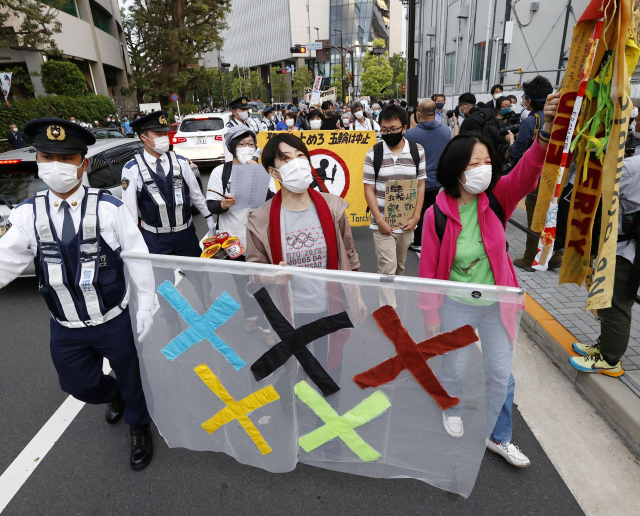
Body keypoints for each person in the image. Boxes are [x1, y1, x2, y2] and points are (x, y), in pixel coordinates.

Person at [0, 118, 156, 470]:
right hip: (66, 326)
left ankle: (140, 426)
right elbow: (4, 262)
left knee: (131, 376)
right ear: (38, 162)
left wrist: (147, 304)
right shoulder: (27, 214)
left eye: (66, 158)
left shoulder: (109, 208)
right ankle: (112, 395)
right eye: (46, 156)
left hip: (113, 319)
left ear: (83, 164)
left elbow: (138, 260)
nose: (56, 165)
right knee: (77, 383)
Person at [418, 92, 560, 468]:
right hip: (456, 305)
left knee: (502, 374)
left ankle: (499, 437)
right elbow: (429, 268)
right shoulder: (438, 213)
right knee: (455, 366)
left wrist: (546, 128)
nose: (482, 168)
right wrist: (430, 312)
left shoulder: (498, 196)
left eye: (486, 161)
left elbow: (530, 169)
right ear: (456, 170)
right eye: (473, 163)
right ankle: (451, 409)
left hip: (497, 305)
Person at [245, 132, 364, 314]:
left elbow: (349, 256)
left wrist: (356, 297)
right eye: (286, 158)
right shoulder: (260, 219)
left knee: (329, 343)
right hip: (289, 311)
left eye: (300, 155)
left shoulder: (333, 207)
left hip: (331, 307)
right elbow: (255, 271)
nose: (296, 163)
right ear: (272, 171)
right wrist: (272, 278)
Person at [569, 150, 640, 377]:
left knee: (614, 304)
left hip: (623, 249)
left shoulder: (631, 167)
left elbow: (593, 188)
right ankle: (604, 346)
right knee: (609, 299)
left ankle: (609, 359)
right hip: (624, 246)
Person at [206, 125, 276, 342]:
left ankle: (266, 325)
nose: (246, 148)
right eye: (241, 144)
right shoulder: (221, 172)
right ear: (231, 147)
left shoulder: (263, 169)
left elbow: (272, 200)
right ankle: (250, 314)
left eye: (250, 144)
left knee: (263, 282)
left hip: (260, 237)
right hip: (232, 237)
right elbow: (211, 204)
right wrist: (223, 205)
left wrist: (256, 172)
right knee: (240, 281)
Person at [120, 110, 215, 255]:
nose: (163, 138)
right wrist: (133, 242)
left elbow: (196, 195)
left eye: (165, 134)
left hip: (185, 234)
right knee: (163, 278)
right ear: (143, 137)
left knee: (199, 276)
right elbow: (131, 210)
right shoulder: (132, 169)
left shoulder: (181, 162)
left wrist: (208, 217)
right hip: (155, 239)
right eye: (158, 135)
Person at [363, 104, 426, 305]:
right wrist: (380, 220)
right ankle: (388, 310)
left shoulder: (417, 152)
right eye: (384, 130)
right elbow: (368, 190)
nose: (389, 134)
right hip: (382, 223)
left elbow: (421, 186)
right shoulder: (373, 154)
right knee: (387, 265)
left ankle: (394, 297)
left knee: (400, 265)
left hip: (407, 222)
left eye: (394, 129)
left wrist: (416, 217)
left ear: (404, 128)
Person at [509, 76, 554, 272]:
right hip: (558, 177)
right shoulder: (561, 119)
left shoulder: (532, 120)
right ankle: (552, 255)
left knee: (534, 220)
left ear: (529, 100)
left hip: (537, 177)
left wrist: (511, 141)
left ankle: (529, 259)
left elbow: (517, 151)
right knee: (551, 218)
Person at [404, 99, 451, 252]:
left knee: (419, 211)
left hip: (417, 180)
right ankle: (431, 241)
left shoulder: (411, 134)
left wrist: (412, 128)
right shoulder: (446, 130)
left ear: (419, 113)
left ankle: (418, 241)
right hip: (437, 179)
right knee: (432, 210)